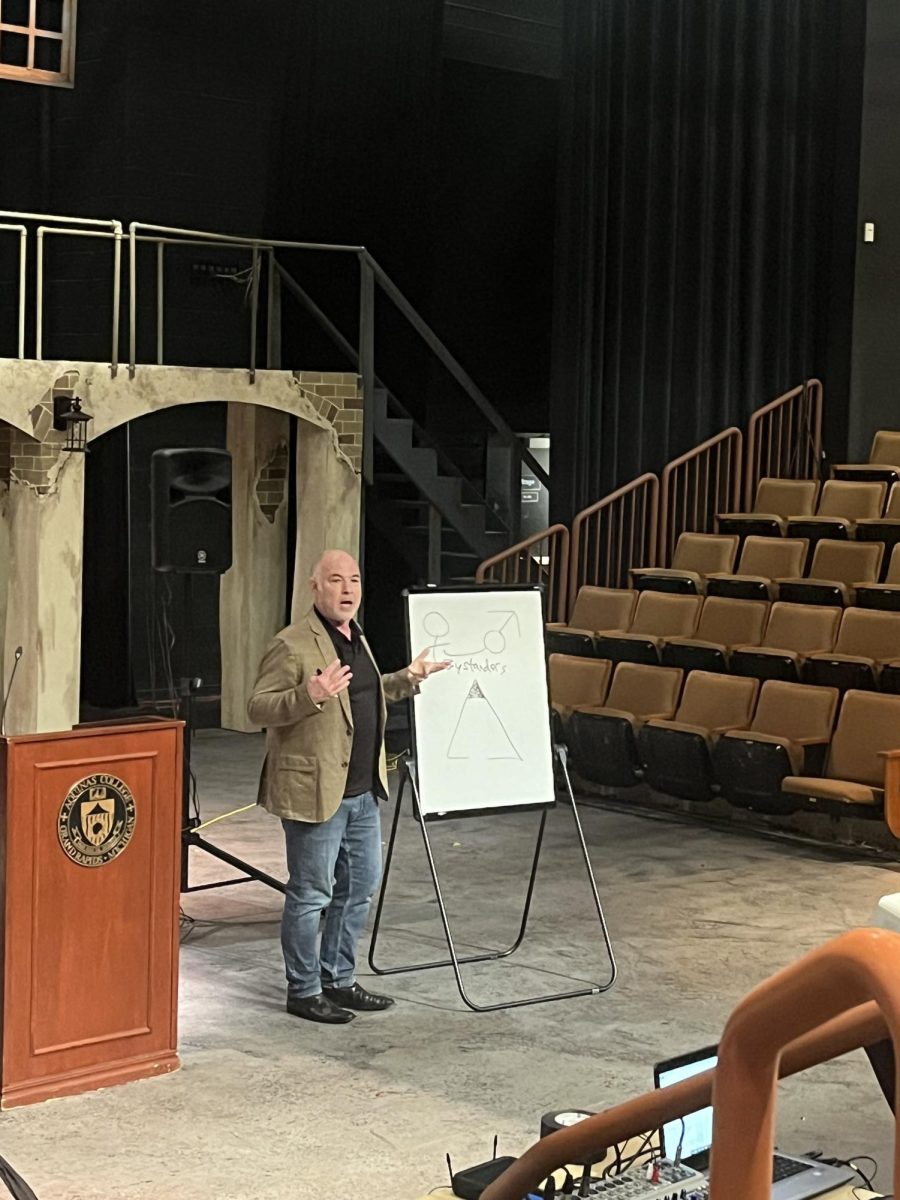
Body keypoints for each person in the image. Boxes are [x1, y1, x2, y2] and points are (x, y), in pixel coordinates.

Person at [247, 549, 449, 1024]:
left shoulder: (356, 638)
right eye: (335, 580)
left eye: (354, 580)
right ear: (315, 588)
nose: (347, 590)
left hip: (363, 791)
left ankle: (339, 979)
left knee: (358, 890)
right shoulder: (292, 644)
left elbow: (365, 694)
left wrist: (407, 679)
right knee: (311, 895)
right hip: (315, 793)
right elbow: (257, 707)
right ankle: (304, 990)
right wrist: (309, 695)